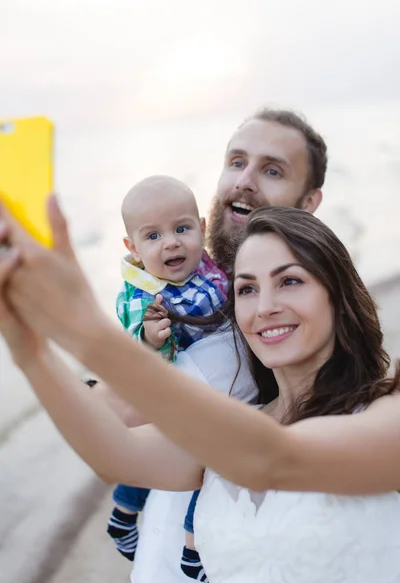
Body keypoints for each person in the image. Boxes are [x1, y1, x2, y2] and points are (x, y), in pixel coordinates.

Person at [7, 107, 329, 583]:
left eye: (272, 170)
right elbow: (116, 428)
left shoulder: (300, 311)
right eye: (236, 161)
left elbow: (127, 424)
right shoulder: (192, 279)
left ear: (309, 202)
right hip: (168, 515)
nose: (244, 180)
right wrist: (33, 343)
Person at [1, 203, 400, 583]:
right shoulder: (239, 427)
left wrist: (88, 331)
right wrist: (29, 349)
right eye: (246, 289)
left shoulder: (387, 414)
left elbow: (273, 459)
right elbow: (113, 453)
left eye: (290, 281)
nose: (264, 307)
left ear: (339, 294)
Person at [105, 175, 227, 575]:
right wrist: (151, 340)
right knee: (205, 462)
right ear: (134, 249)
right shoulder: (144, 294)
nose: (171, 242)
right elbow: (130, 348)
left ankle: (126, 515)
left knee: (206, 460)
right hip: (177, 396)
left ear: (202, 229)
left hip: (210, 389)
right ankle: (187, 547)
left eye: (181, 228)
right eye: (153, 236)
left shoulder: (209, 270)